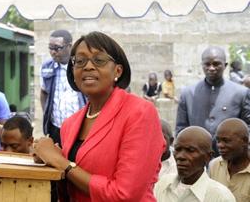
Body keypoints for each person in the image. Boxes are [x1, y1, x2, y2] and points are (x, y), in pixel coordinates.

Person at [33, 31, 165, 201]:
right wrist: (49, 159)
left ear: (118, 70)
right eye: (80, 61)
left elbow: (124, 195)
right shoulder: (69, 125)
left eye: (99, 60)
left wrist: (62, 164)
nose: (88, 66)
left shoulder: (140, 112)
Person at [175, 46, 250, 153]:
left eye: (216, 64)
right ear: (202, 65)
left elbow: (248, 127)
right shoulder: (188, 94)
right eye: (207, 64)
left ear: (225, 65)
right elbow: (181, 129)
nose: (211, 68)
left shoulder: (241, 93)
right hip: (197, 158)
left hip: (230, 159)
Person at [154, 126, 236, 202]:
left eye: (190, 150)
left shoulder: (220, 197)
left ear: (208, 157)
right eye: (178, 149)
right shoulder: (162, 185)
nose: (180, 156)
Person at [40, 29, 86, 145]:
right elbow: (43, 92)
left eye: (57, 48)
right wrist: (48, 114)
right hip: (56, 128)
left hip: (80, 128)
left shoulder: (81, 66)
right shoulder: (47, 67)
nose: (53, 52)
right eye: (50, 48)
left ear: (69, 46)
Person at [209, 118, 250, 202]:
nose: (220, 145)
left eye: (226, 141)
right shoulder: (215, 165)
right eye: (218, 140)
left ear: (245, 141)